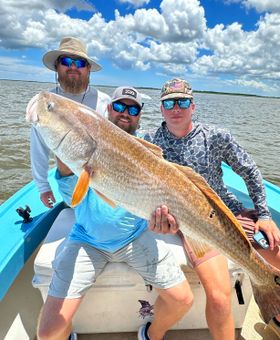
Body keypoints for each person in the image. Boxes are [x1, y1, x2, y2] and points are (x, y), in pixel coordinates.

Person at [144, 78, 280, 340]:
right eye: (169, 103)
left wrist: (264, 216)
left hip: (232, 214)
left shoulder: (217, 136)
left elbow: (250, 171)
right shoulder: (150, 143)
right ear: (161, 109)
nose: (176, 107)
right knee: (220, 300)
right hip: (193, 223)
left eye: (182, 102)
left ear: (193, 106)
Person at [36, 86, 194, 340]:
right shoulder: (87, 139)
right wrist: (63, 158)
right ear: (109, 109)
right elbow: (70, 198)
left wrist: (167, 222)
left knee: (183, 299)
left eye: (132, 109)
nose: (125, 113)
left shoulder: (147, 148)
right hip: (87, 239)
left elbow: (165, 192)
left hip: (135, 237)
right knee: (48, 332)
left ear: (140, 115)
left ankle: (151, 334)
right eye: (119, 106)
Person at [31, 37, 110, 208]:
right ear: (57, 66)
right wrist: (43, 186)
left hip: (104, 177)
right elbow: (38, 149)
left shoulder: (104, 101)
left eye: (80, 63)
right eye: (66, 61)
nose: (73, 67)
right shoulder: (45, 104)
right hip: (68, 181)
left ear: (88, 68)